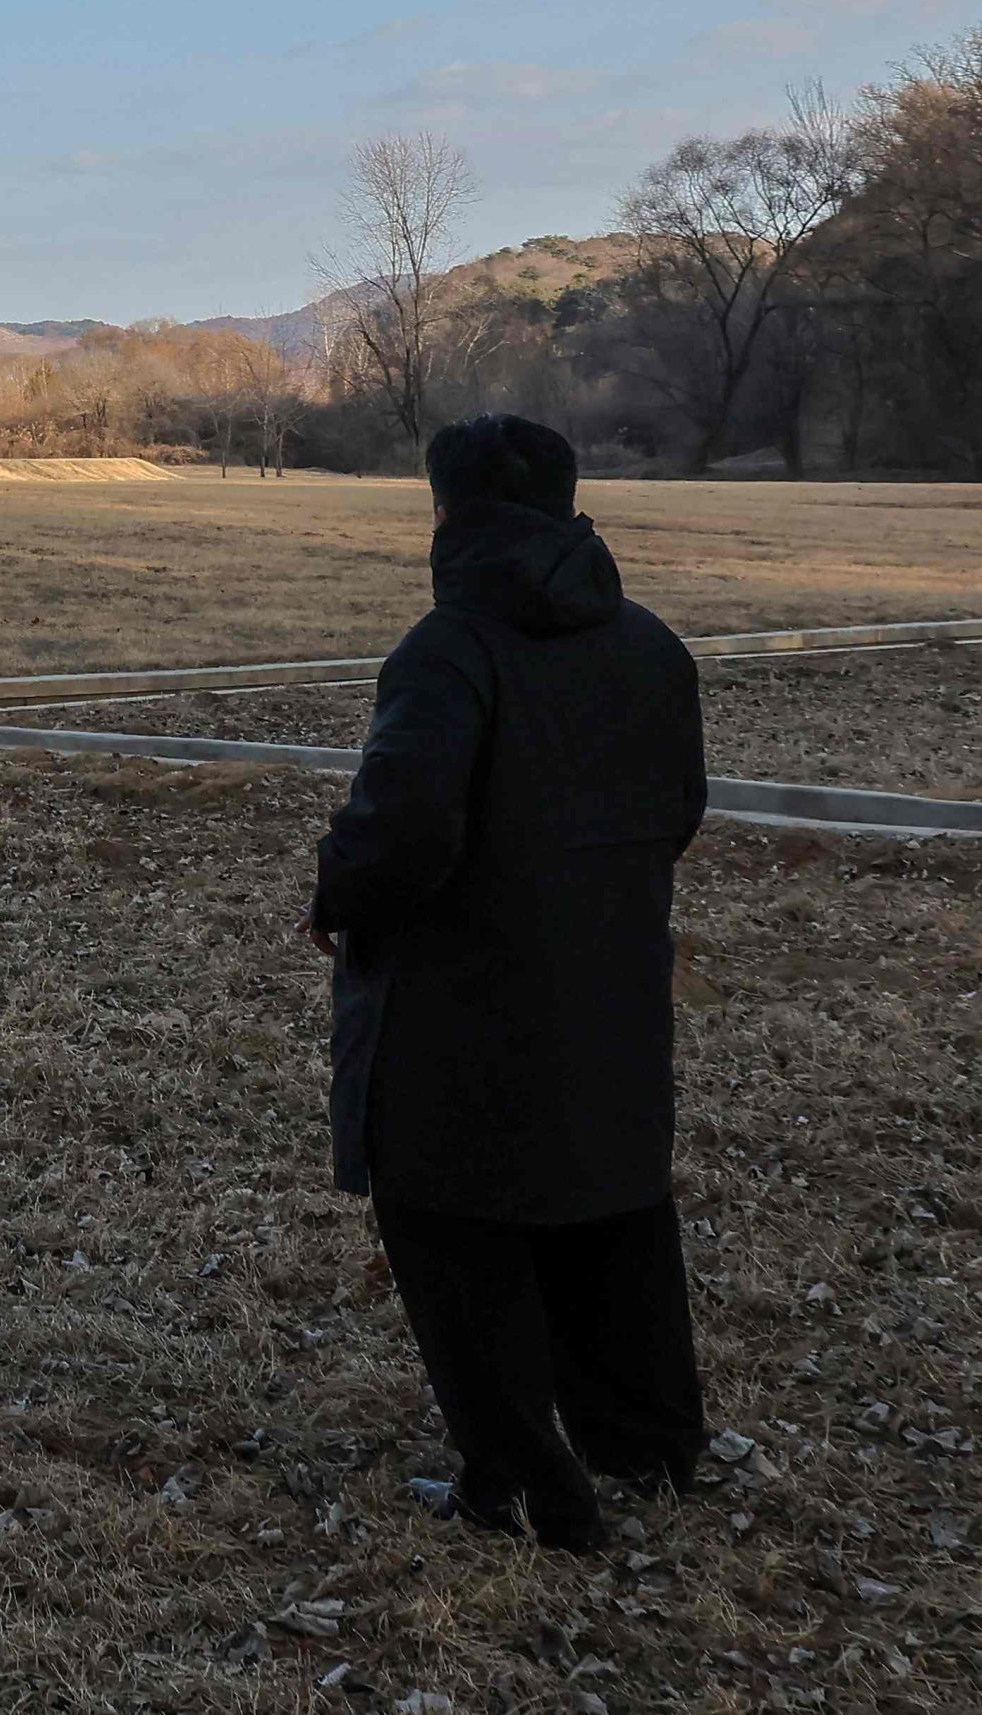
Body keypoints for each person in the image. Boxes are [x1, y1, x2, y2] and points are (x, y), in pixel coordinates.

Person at [305, 412, 711, 1553]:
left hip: (457, 1011)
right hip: (615, 991)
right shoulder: (654, 648)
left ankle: (523, 1484)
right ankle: (651, 1444)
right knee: (613, 1207)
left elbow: (404, 829)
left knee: (454, 1229)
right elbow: (677, 812)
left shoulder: (449, 652)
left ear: (448, 515)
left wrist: (336, 895)